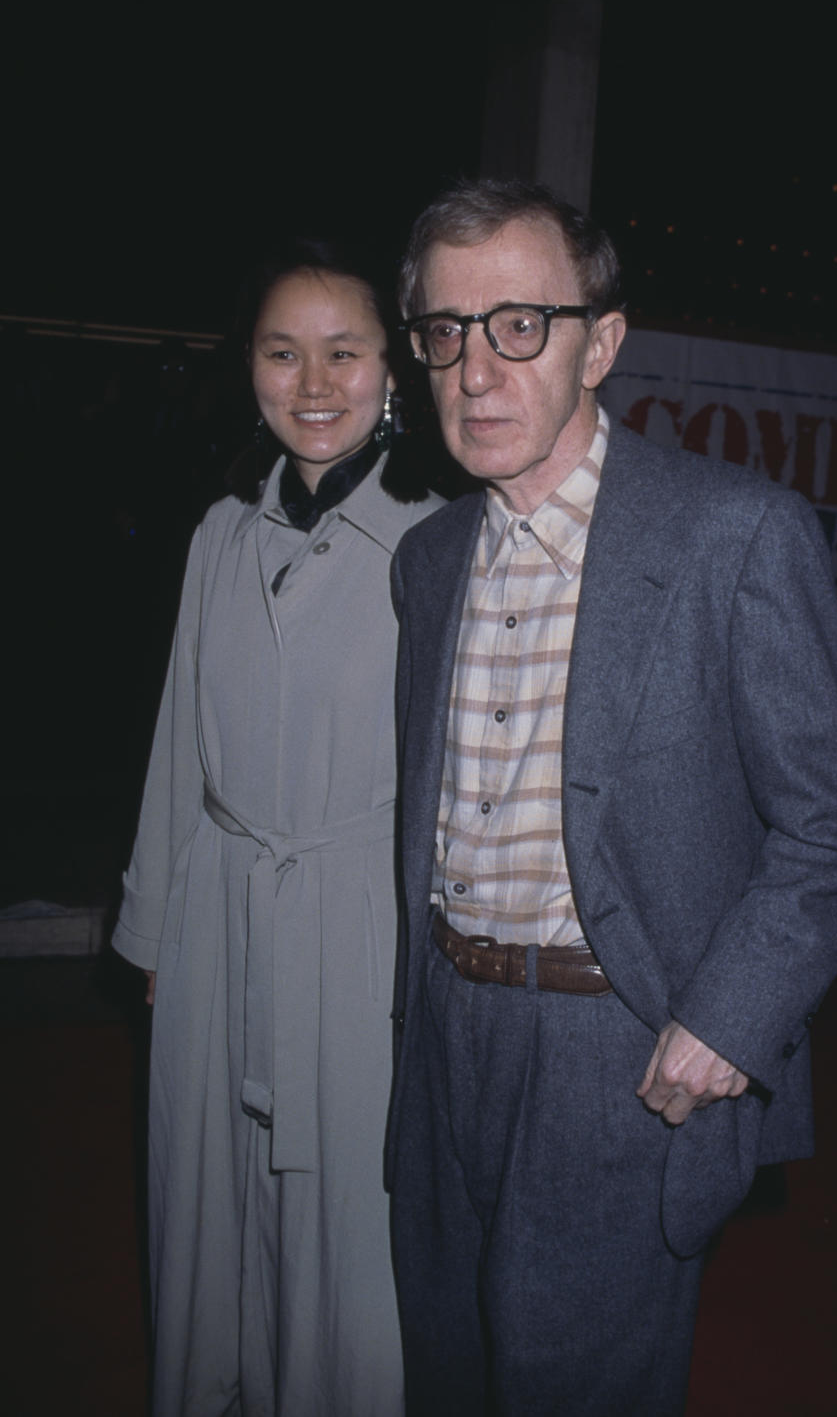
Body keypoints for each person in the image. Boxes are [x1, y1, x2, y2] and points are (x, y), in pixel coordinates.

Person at [386, 180, 837, 1416]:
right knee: (447, 1372)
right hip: (446, 1032)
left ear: (600, 342)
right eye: (446, 331)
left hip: (614, 1052)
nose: (477, 368)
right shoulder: (428, 557)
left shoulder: (735, 534)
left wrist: (731, 1015)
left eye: (521, 325)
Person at [112, 236, 440, 1416]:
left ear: (392, 368)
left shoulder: (434, 544)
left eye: (343, 352)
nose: (313, 382)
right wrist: (154, 929)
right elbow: (175, 748)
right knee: (205, 1199)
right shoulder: (219, 536)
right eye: (283, 351)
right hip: (215, 913)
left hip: (359, 938)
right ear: (246, 366)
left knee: (344, 1227)